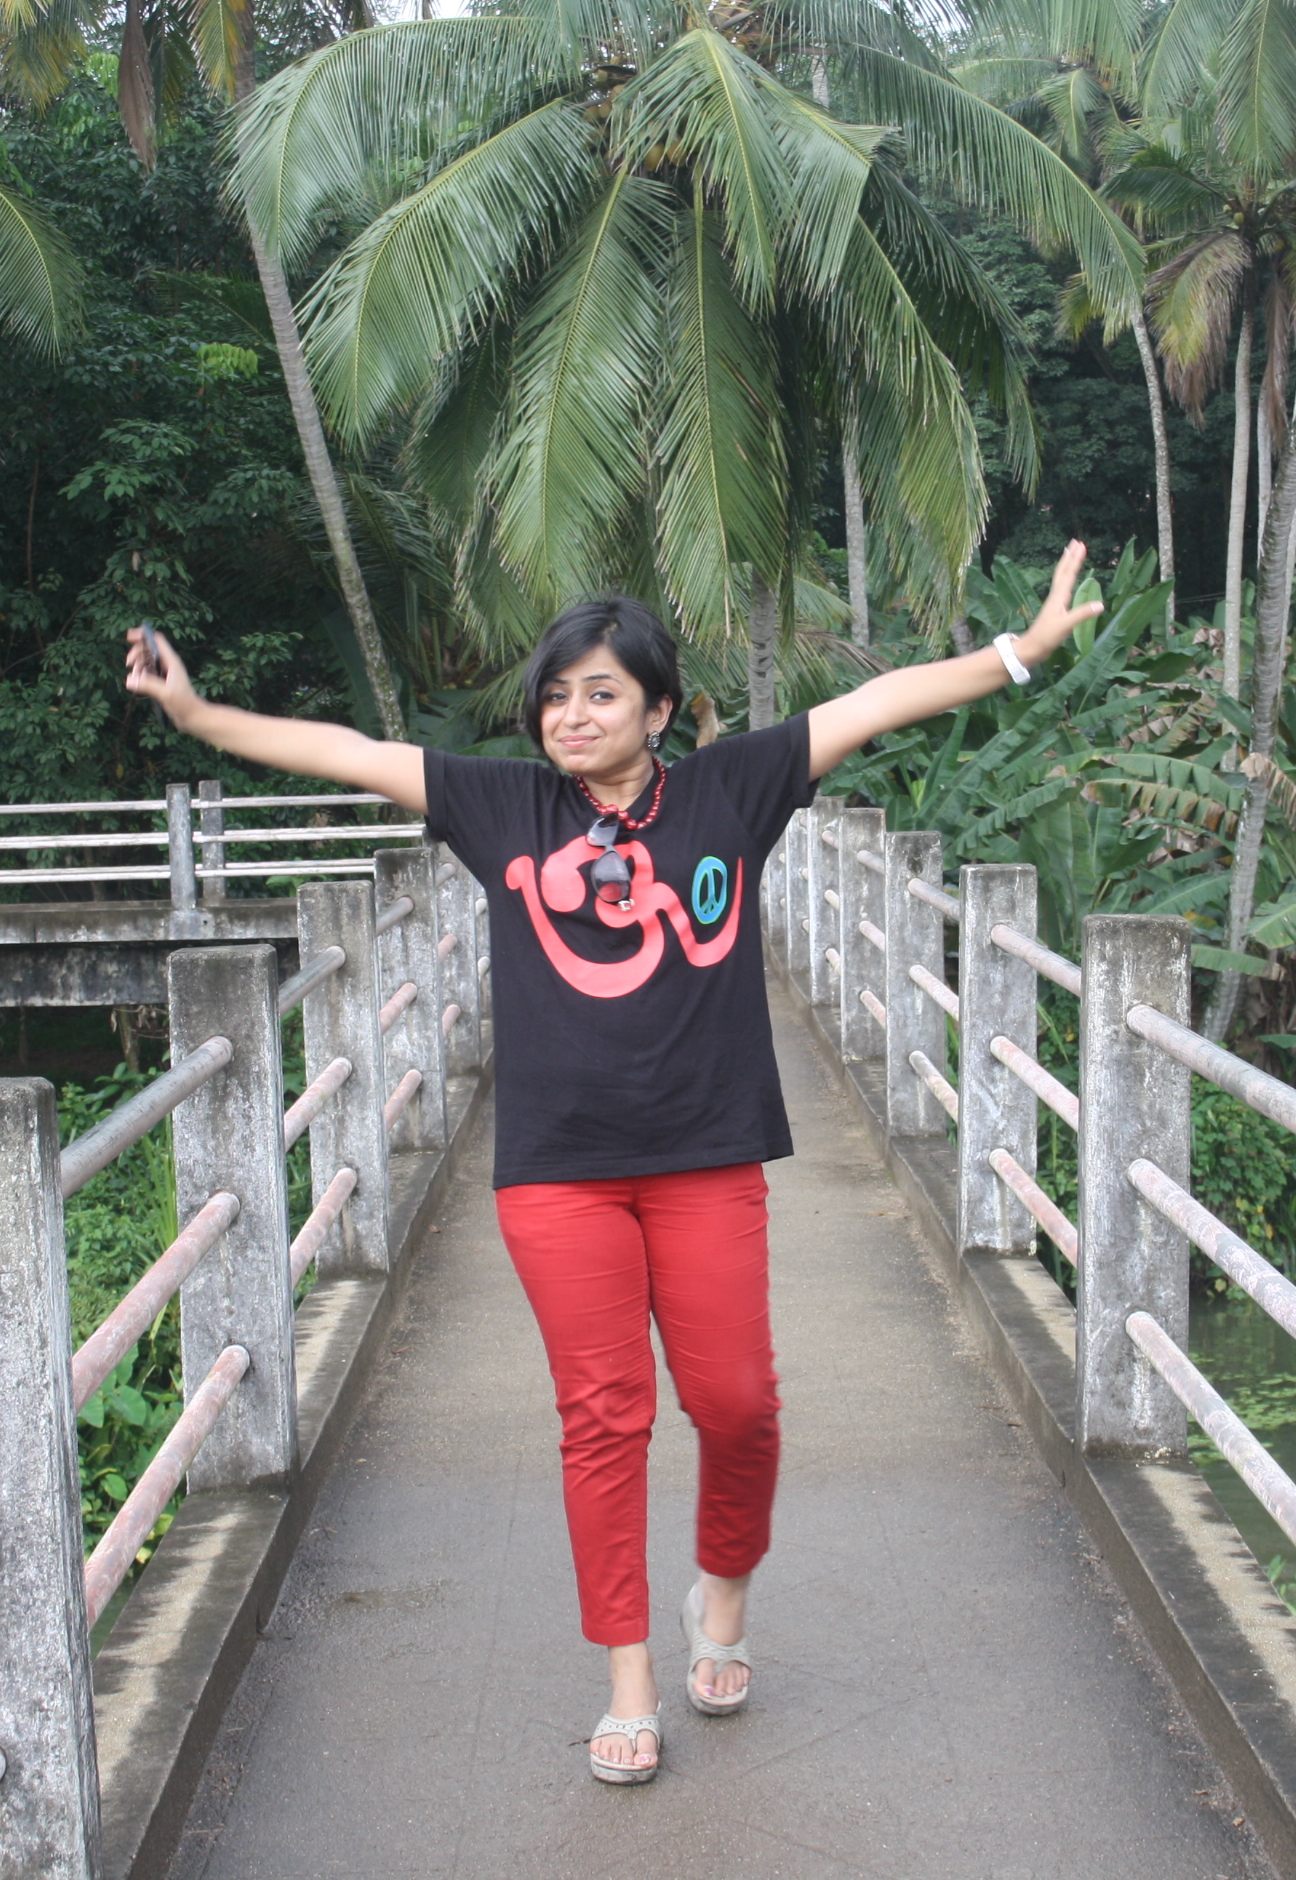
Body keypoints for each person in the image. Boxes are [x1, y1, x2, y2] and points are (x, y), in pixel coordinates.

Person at [124, 543, 1104, 1784]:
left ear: (656, 707)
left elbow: (875, 701)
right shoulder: (504, 808)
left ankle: (723, 1590)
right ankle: (628, 1678)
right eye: (554, 696)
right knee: (602, 1416)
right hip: (559, 1169)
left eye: (599, 693)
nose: (571, 716)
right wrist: (199, 714)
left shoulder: (731, 791)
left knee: (737, 1402)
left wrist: (1018, 650)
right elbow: (350, 752)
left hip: (705, 1152)